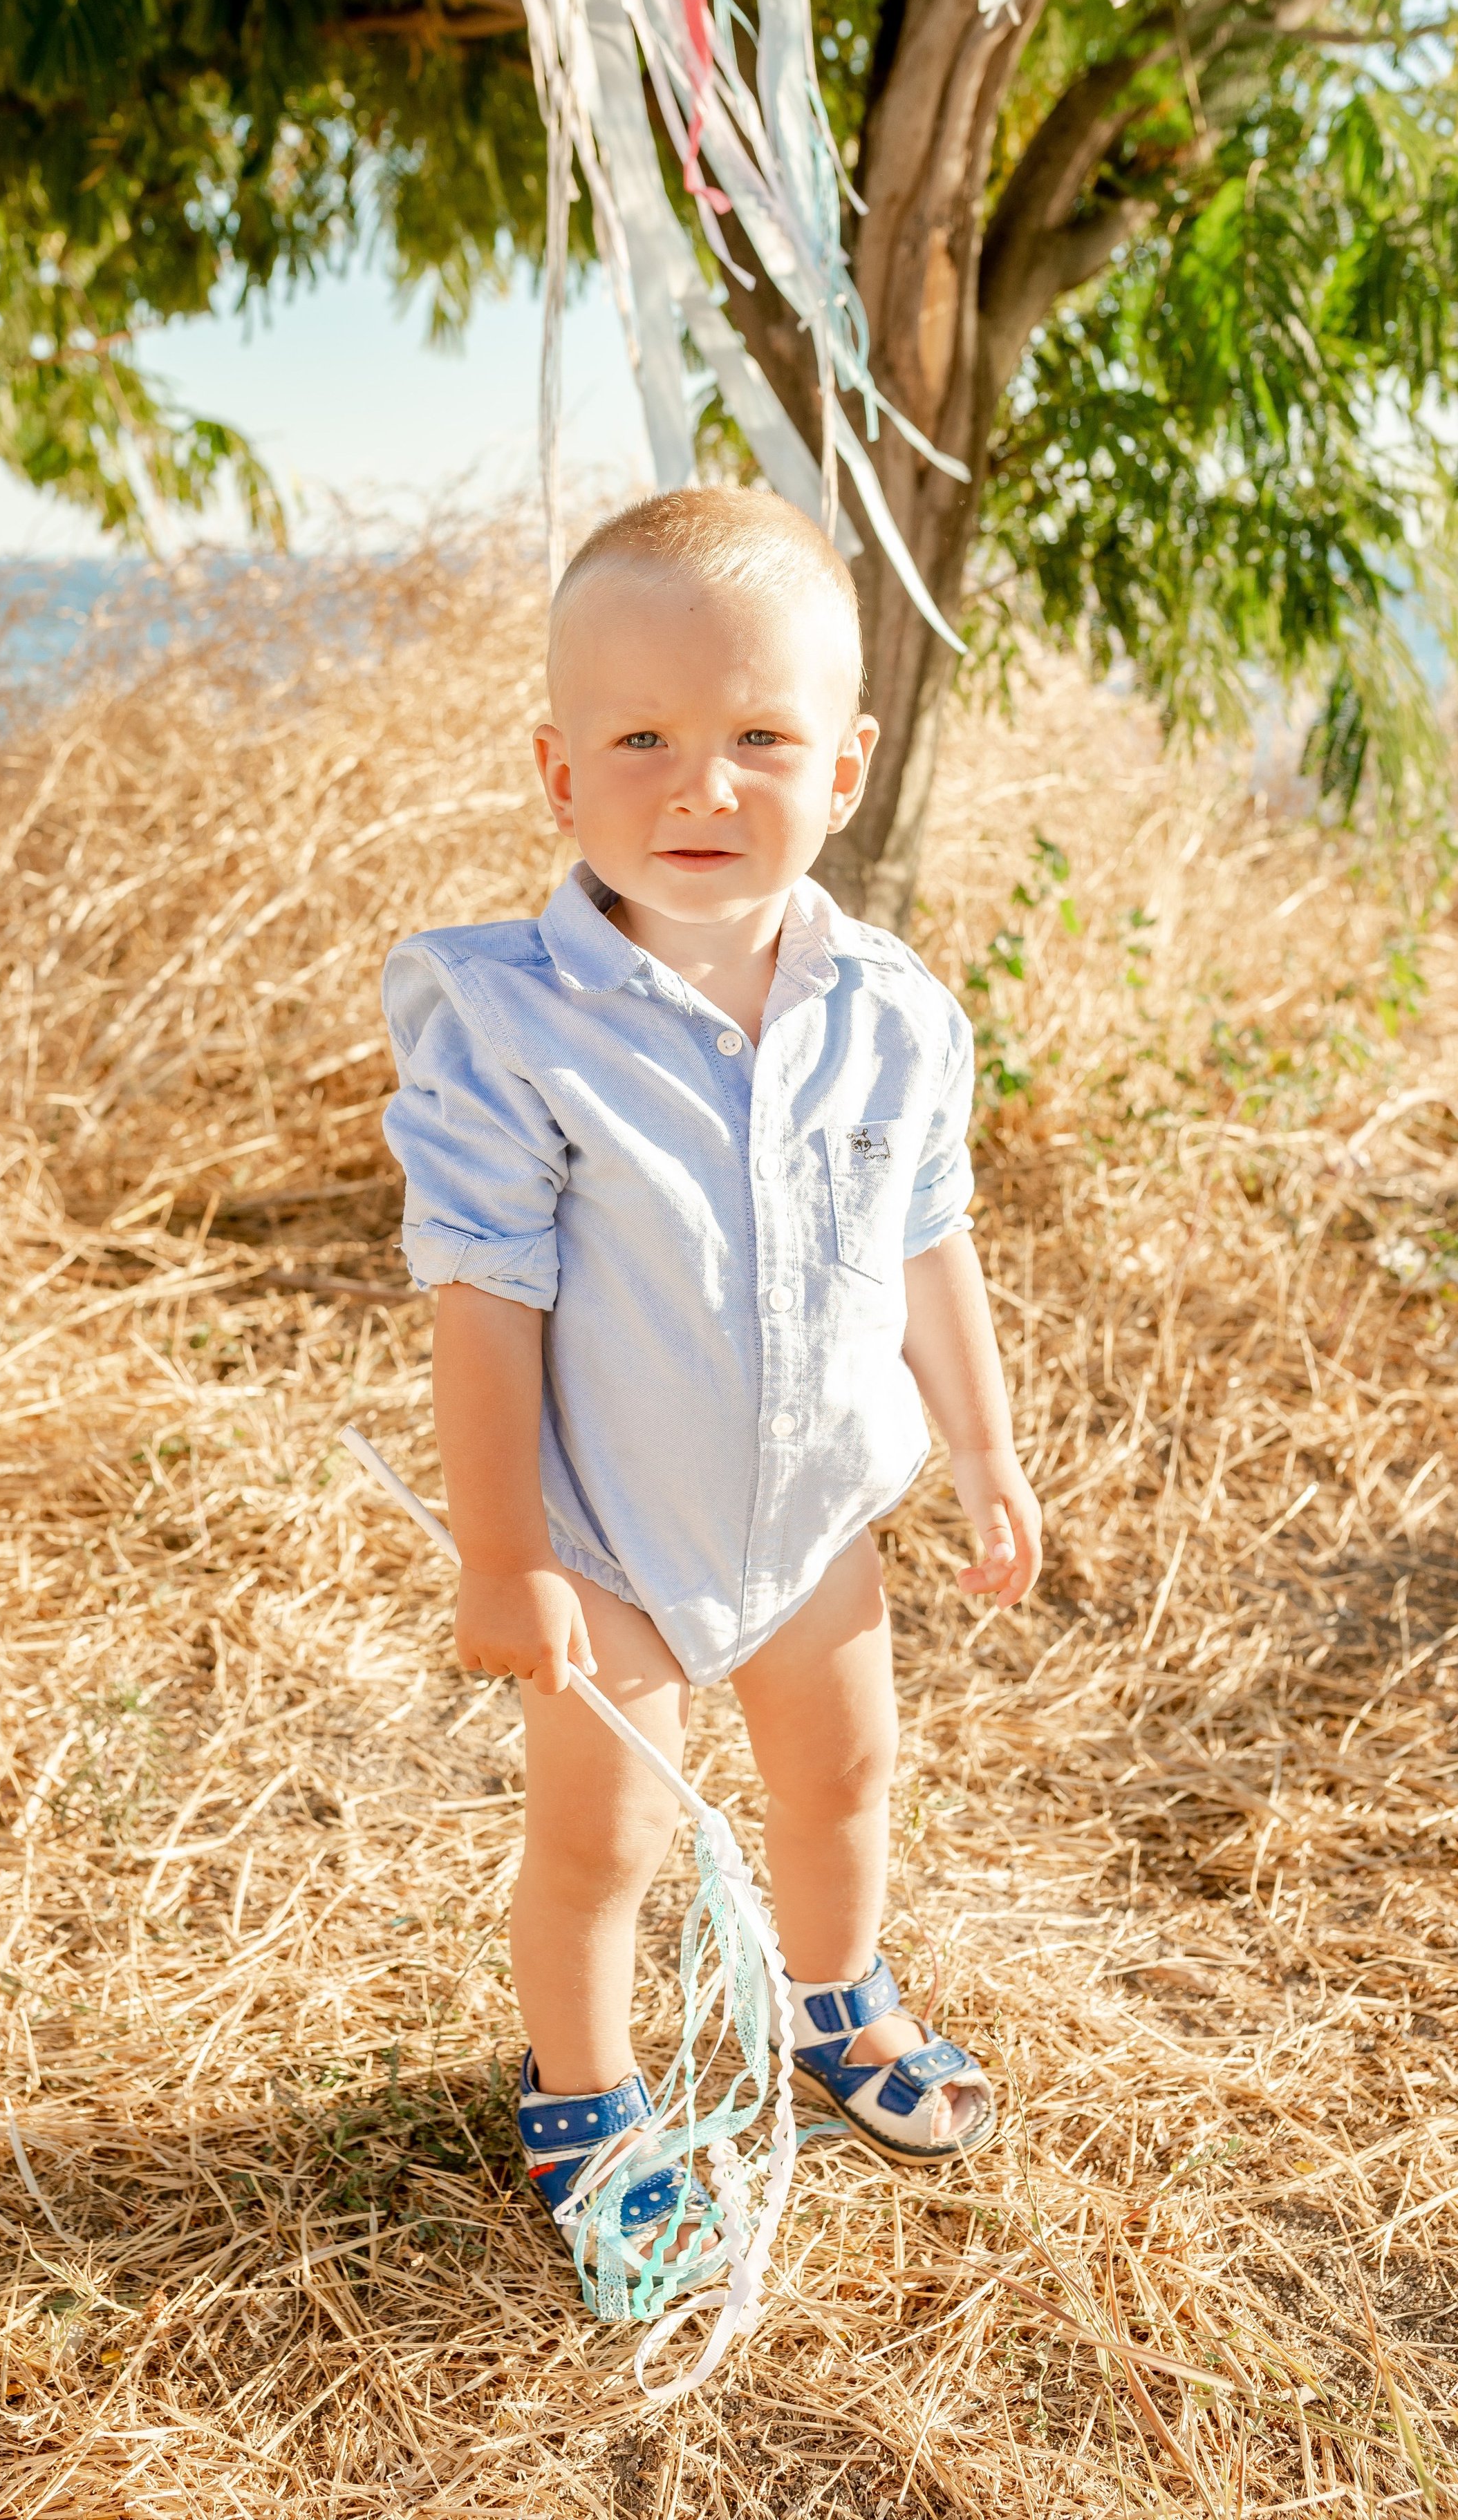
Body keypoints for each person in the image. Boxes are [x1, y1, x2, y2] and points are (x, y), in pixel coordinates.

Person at [380, 487, 1042, 2304]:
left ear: (847, 765)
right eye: (643, 742)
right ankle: (589, 2104)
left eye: (761, 737)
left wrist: (983, 1444)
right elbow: (485, 1303)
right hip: (608, 1529)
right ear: (557, 770)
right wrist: (506, 1555)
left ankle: (836, 1998)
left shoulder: (889, 1010)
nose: (703, 788)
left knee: (845, 1773)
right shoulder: (513, 1025)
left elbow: (926, 1236)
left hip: (815, 1511)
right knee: (605, 1839)